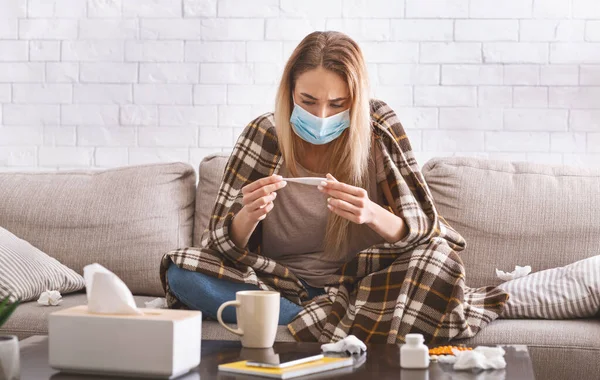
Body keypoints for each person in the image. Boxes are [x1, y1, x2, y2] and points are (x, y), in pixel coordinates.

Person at [160, 31, 508, 343]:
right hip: (280, 286)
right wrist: (248, 216)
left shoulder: (379, 130)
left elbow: (424, 230)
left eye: (337, 104)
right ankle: (322, 320)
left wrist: (371, 213)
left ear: (355, 100)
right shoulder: (264, 135)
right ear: (289, 93)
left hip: (366, 287)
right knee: (182, 273)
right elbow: (218, 247)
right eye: (308, 101)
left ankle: (313, 321)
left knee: (437, 261)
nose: (322, 116)